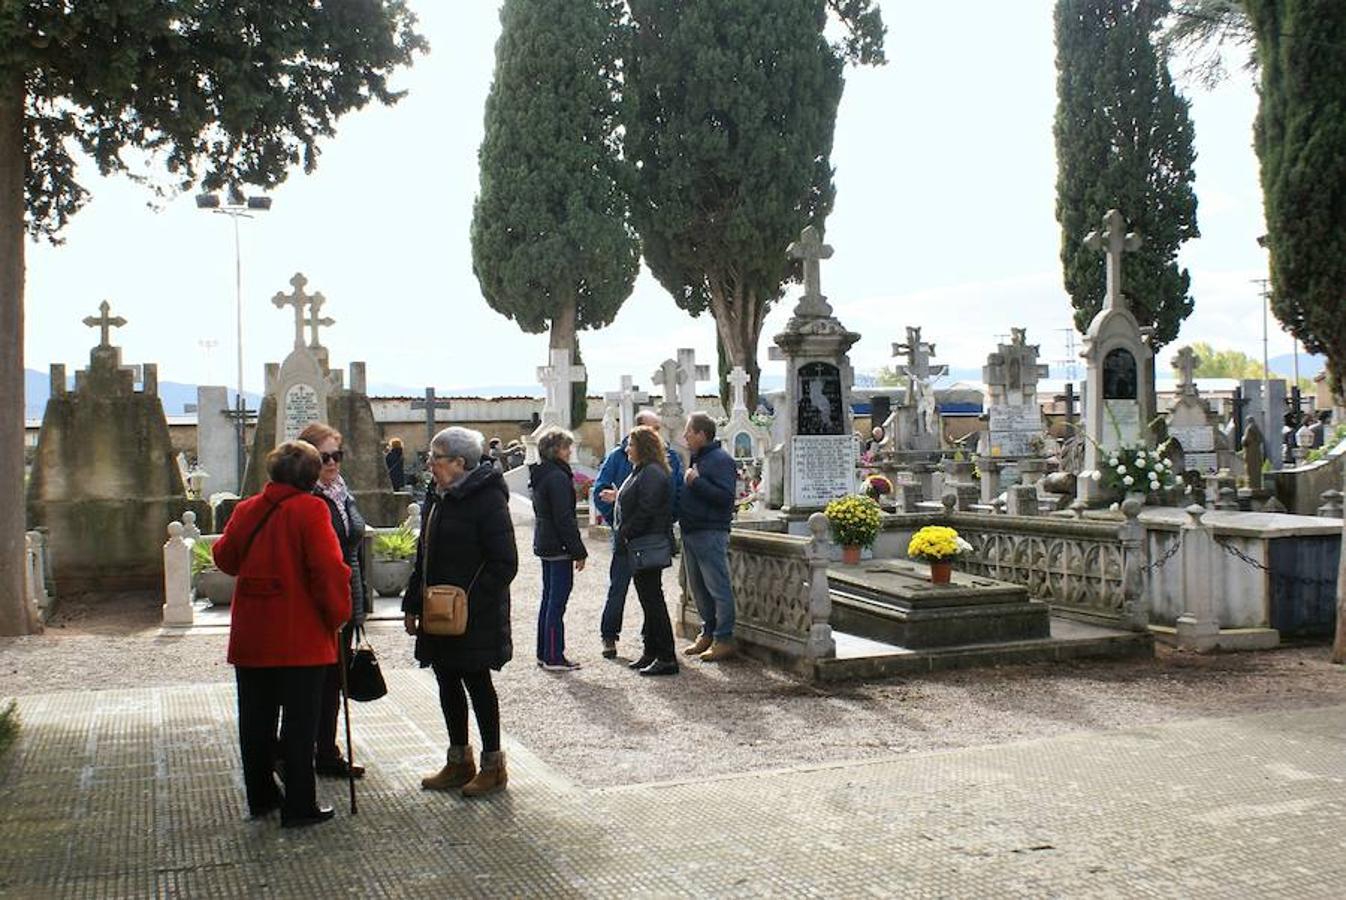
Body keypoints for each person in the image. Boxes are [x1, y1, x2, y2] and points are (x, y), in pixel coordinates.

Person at [213, 440, 351, 828]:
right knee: (299, 722)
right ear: (310, 475)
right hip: (299, 634)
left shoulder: (247, 509)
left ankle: (260, 797)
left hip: (253, 632)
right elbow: (327, 569)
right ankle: (300, 805)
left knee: (254, 720)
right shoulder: (311, 510)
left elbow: (225, 558)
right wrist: (339, 613)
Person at [403, 426, 518, 797]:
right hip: (437, 613)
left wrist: (466, 602)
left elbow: (505, 562)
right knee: (446, 681)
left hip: (474, 615)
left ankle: (493, 766)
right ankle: (458, 762)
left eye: (437, 458)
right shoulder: (437, 497)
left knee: (478, 684)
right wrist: (413, 602)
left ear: (460, 462)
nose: (430, 465)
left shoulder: (487, 499)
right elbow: (426, 553)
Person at [298, 422, 369, 780]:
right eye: (324, 457)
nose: (331, 463)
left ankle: (325, 751)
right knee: (315, 685)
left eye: (336, 456)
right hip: (322, 603)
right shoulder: (309, 499)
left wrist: (358, 604)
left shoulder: (342, 491)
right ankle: (302, 752)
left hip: (348, 594)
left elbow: (353, 545)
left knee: (333, 684)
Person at [593, 409, 683, 659]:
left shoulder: (662, 463)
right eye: (652, 428)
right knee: (621, 589)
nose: (658, 433)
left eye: (658, 428)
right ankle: (612, 636)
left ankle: (655, 650)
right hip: (632, 537)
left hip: (644, 539)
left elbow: (664, 499)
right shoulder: (622, 459)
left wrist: (630, 529)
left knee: (651, 597)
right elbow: (601, 490)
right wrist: (615, 522)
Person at [615, 425, 679, 676]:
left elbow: (647, 508)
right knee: (648, 600)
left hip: (647, 542)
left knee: (653, 602)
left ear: (642, 447)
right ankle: (651, 651)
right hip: (641, 543)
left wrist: (626, 531)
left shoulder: (651, 472)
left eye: (631, 444)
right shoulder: (643, 470)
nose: (627, 449)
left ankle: (666, 656)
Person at [680, 412, 739, 662]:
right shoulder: (700, 459)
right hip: (693, 531)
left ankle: (724, 638)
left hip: (710, 531)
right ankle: (709, 632)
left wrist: (695, 482)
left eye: (689, 432)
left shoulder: (720, 460)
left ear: (702, 434)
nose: (685, 436)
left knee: (718, 587)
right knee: (698, 588)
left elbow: (725, 498)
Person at [528, 426, 587, 671]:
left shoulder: (543, 474)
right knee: (557, 602)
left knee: (548, 599)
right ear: (556, 450)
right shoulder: (558, 477)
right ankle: (554, 655)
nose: (569, 450)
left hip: (545, 541)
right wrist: (579, 550)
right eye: (566, 447)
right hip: (558, 544)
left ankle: (544, 652)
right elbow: (565, 518)